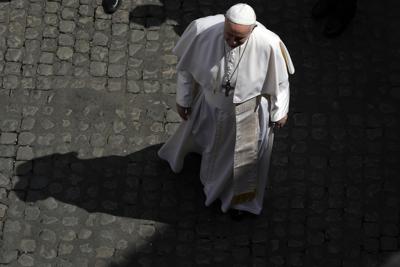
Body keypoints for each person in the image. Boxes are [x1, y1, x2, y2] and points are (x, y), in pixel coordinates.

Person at [158, 3, 294, 219]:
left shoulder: (268, 43)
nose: (231, 42)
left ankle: (235, 201)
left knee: (240, 163)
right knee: (209, 142)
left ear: (252, 30)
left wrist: (279, 112)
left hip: (247, 114)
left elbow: (281, 83)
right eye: (228, 35)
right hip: (211, 107)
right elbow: (185, 69)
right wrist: (183, 100)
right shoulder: (203, 30)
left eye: (239, 40)